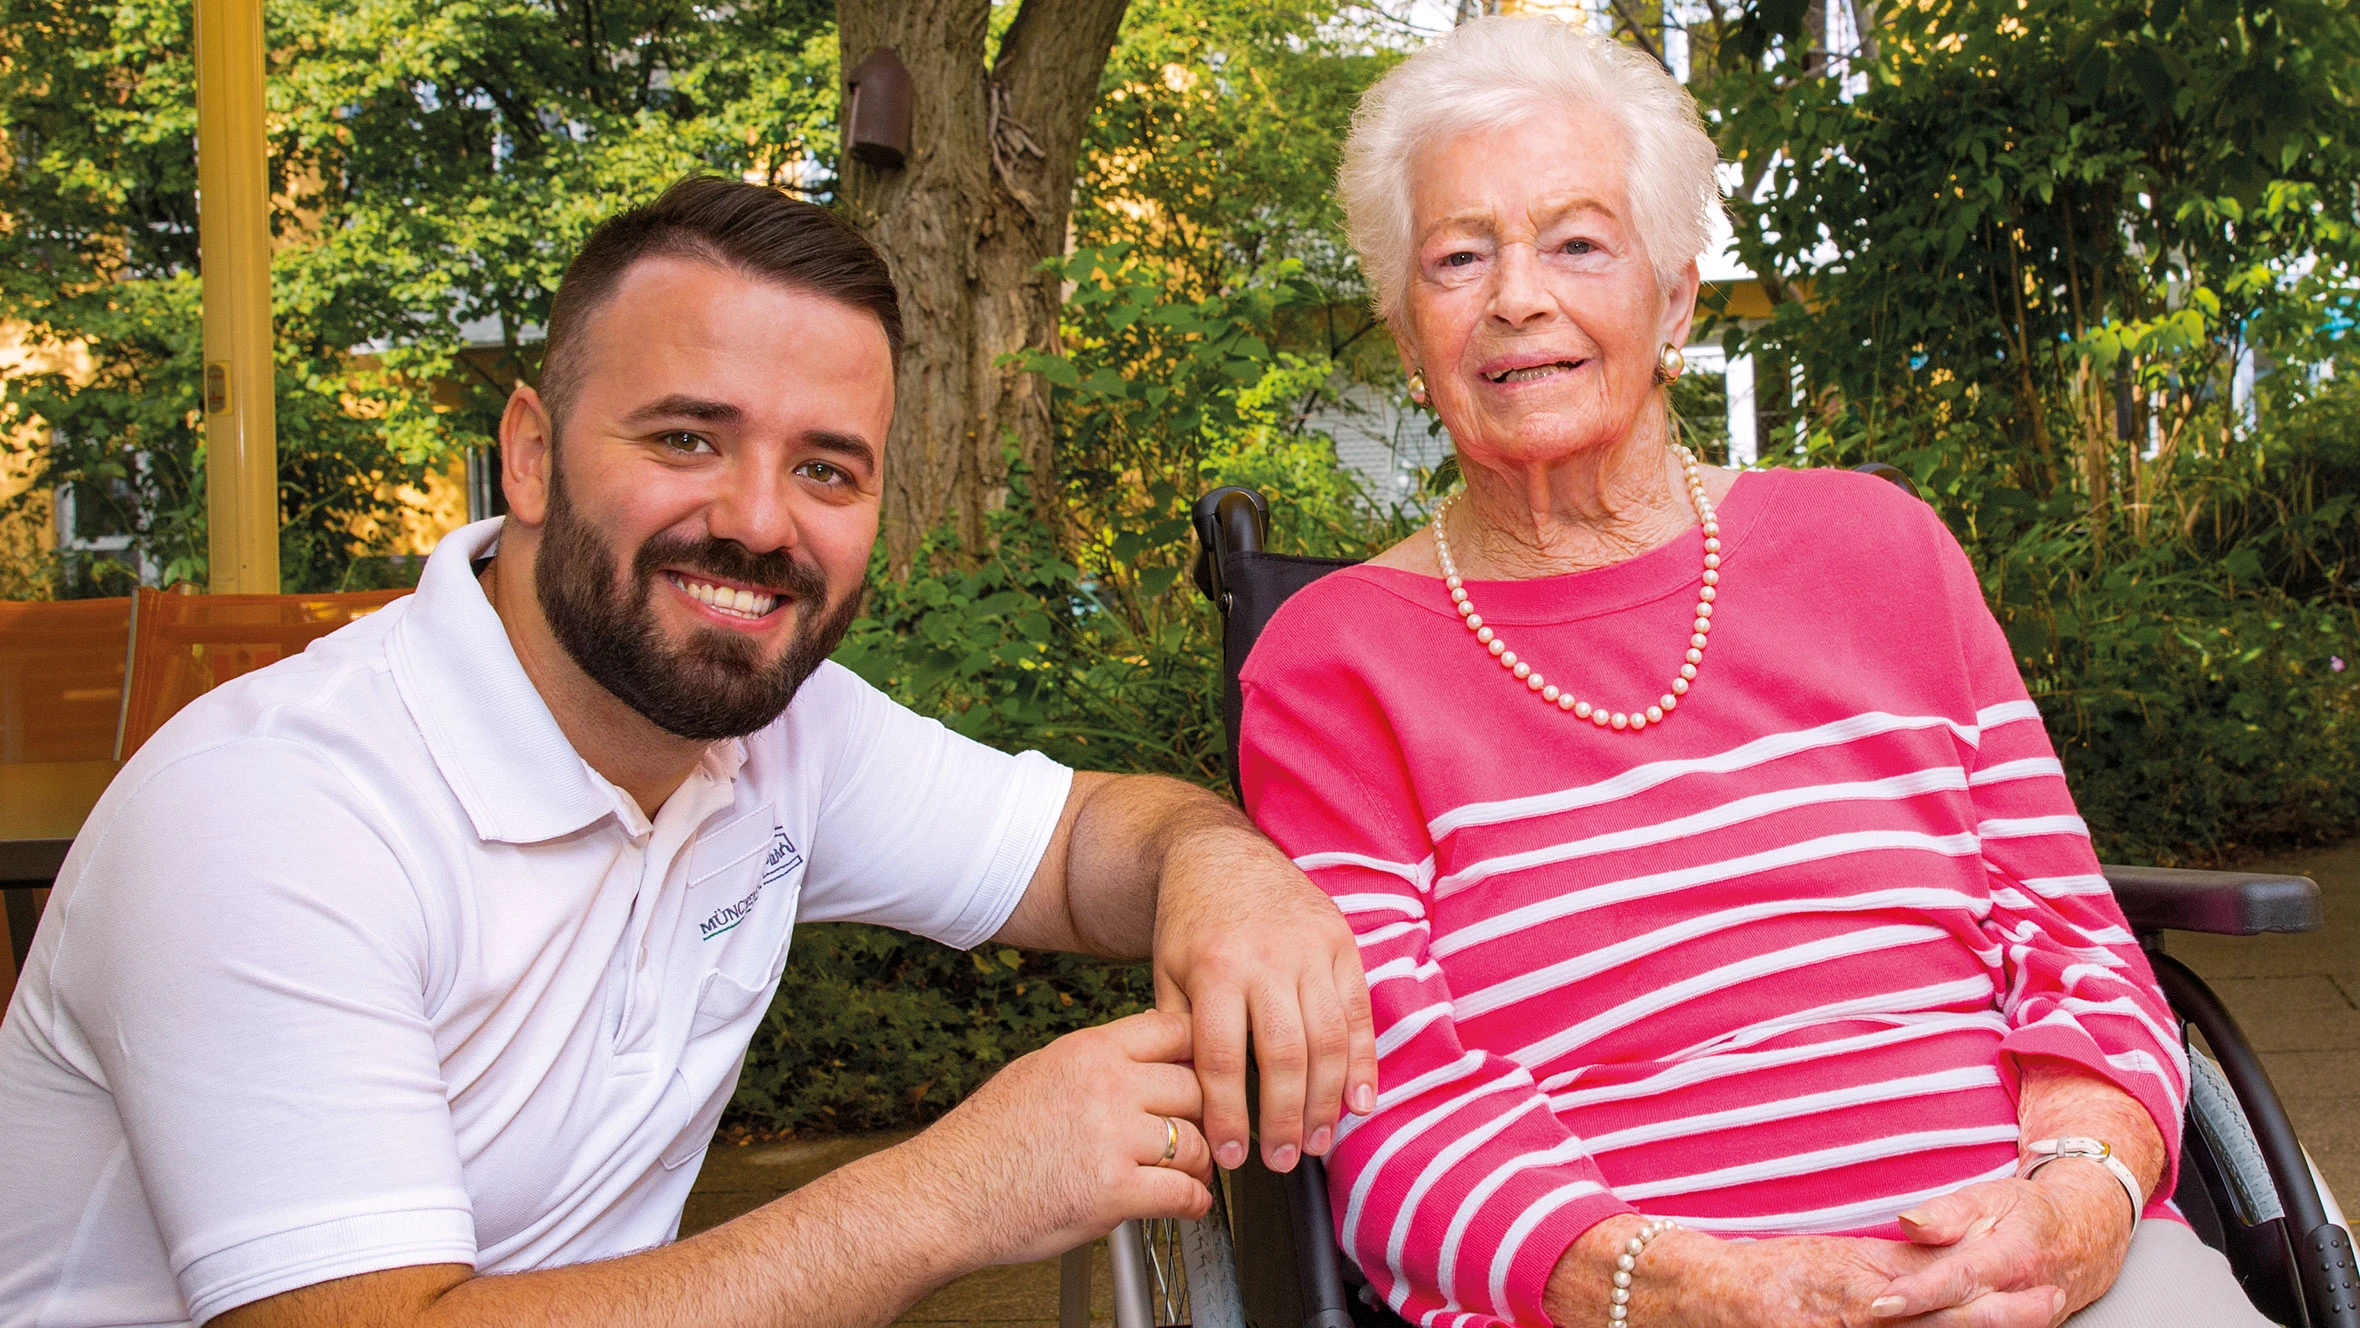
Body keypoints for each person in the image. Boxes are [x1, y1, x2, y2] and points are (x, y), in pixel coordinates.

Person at [0, 177, 1378, 1328]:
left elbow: (1084, 846)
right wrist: (952, 1193)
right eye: (685, 438)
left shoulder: (781, 734)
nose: (761, 522)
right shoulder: (271, 814)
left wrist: (1224, 871)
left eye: (827, 469)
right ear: (530, 459)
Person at [1236, 17, 2269, 1328]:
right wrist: (1702, 1290)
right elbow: (1394, 1103)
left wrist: (2079, 1197)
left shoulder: (1880, 552)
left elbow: (2069, 937)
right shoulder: (1336, 665)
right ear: (1405, 323)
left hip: (2031, 1269)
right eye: (1457, 256)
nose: (1515, 297)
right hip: (1640, 1301)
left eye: (1576, 242)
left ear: (1673, 298)